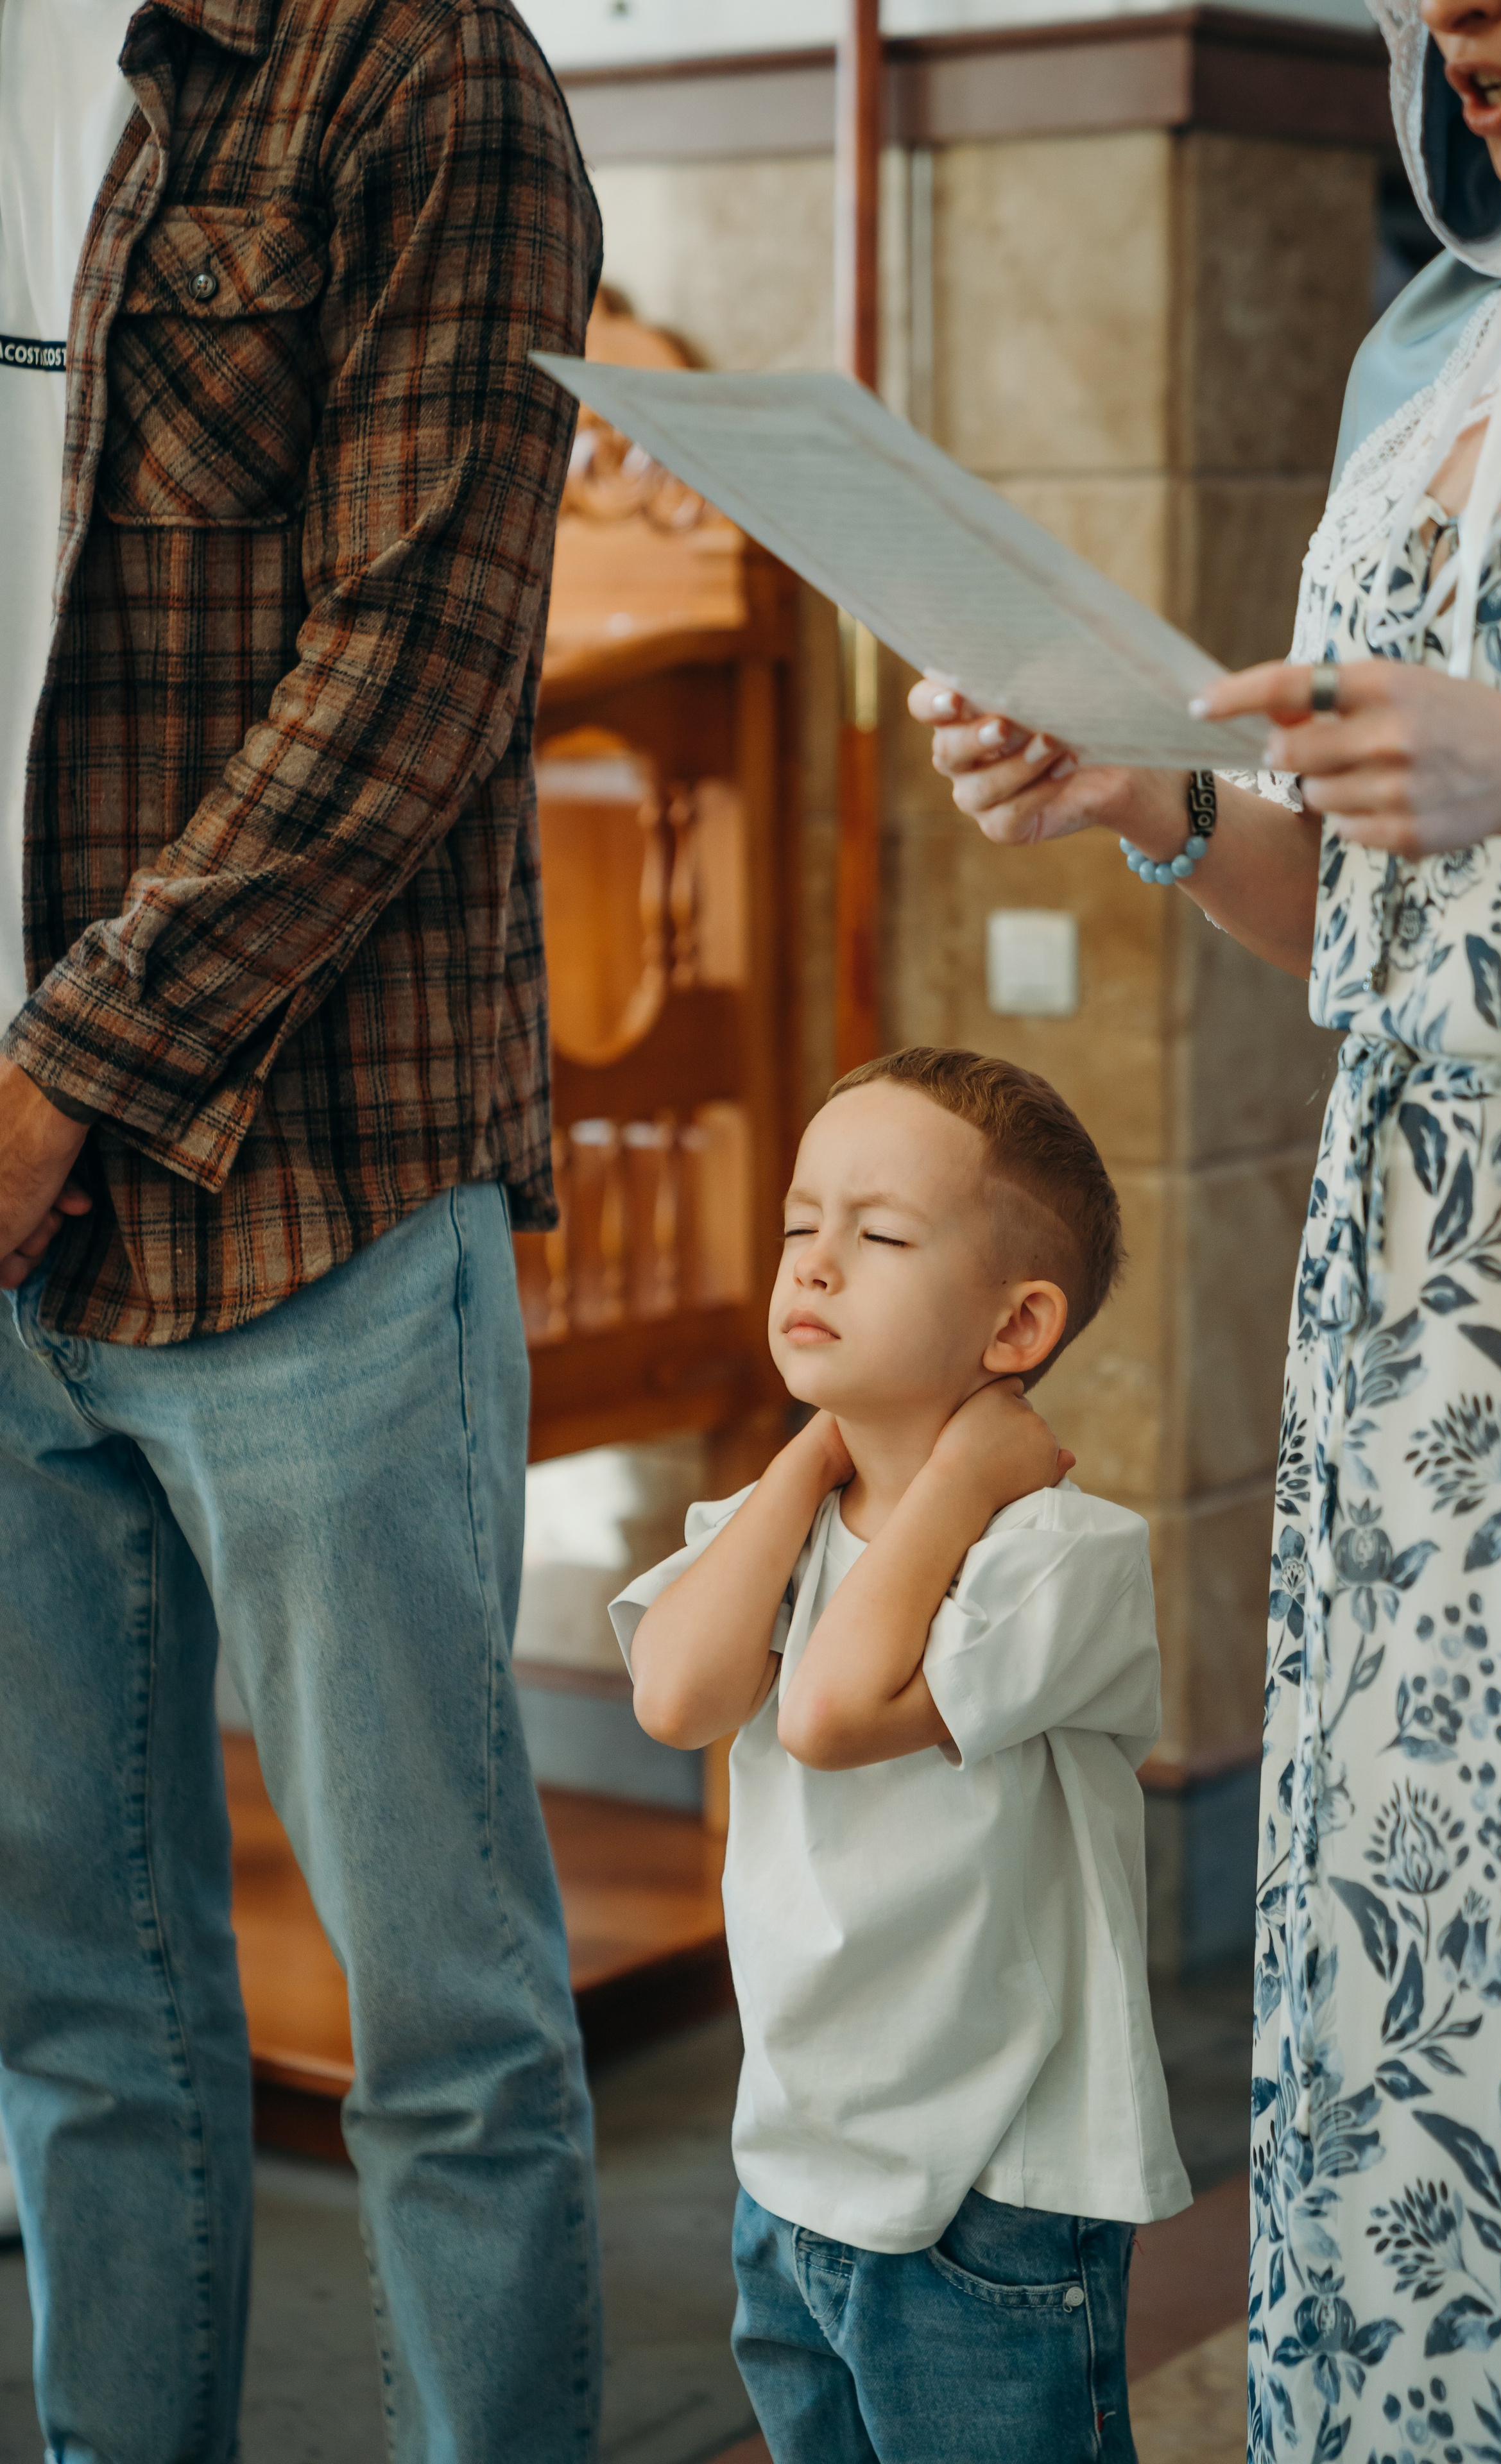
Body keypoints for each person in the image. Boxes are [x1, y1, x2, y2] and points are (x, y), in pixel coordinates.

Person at [911, 0, 1501, 2451]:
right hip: (1418, 1304)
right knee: (1435, 1989)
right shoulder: (1433, 346)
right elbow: (1354, 921)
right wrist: (1140, 792)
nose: (1456, 15)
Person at [0, 0, 603, 2457]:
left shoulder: (434, 72)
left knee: (442, 2040)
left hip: (308, 1207)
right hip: (21, 1216)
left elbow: (415, 681)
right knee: (81, 2013)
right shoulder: (128, 77)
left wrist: (60, 1079)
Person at [611, 1046, 1191, 2464]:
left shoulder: (1061, 1552)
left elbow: (828, 1711)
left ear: (1017, 1326)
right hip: (801, 2161)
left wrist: (964, 1479)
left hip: (989, 2185)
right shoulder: (782, 1518)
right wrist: (811, 1460)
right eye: (800, 1225)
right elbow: (679, 1696)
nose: (812, 1263)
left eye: (874, 1237)